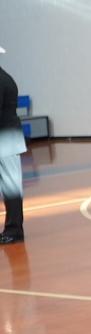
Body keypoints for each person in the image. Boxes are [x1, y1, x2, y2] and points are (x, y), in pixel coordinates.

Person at [0, 50, 26, 245]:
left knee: (11, 188)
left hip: (6, 139)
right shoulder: (5, 77)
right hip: (7, 137)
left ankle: (14, 231)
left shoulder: (1, 80)